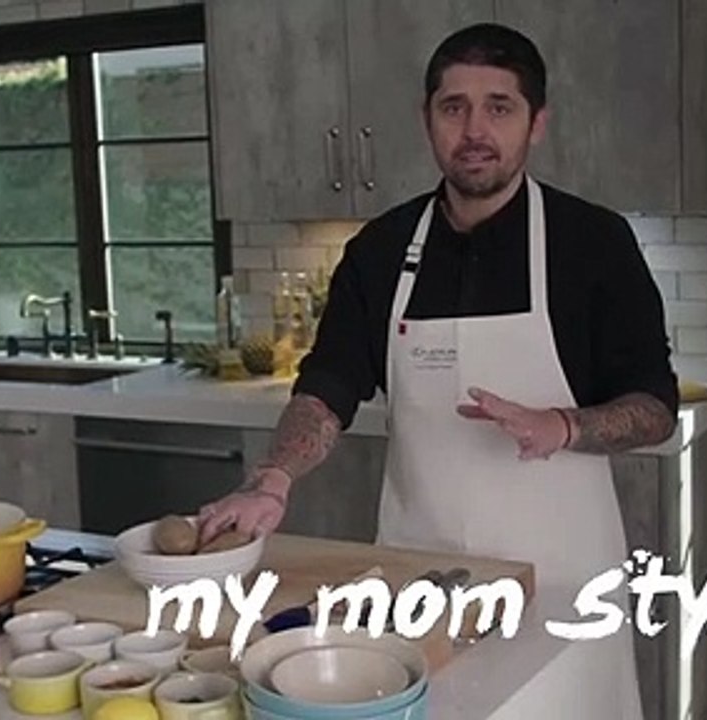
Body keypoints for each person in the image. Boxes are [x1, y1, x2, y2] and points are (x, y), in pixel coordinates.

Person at [199, 22, 676, 718]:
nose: (475, 129)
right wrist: (274, 476)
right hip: (417, 576)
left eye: (499, 107)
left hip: (563, 580)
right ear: (428, 120)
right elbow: (329, 386)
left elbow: (655, 404)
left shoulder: (594, 243)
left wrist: (565, 426)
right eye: (454, 107)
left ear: (536, 123)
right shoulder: (380, 250)